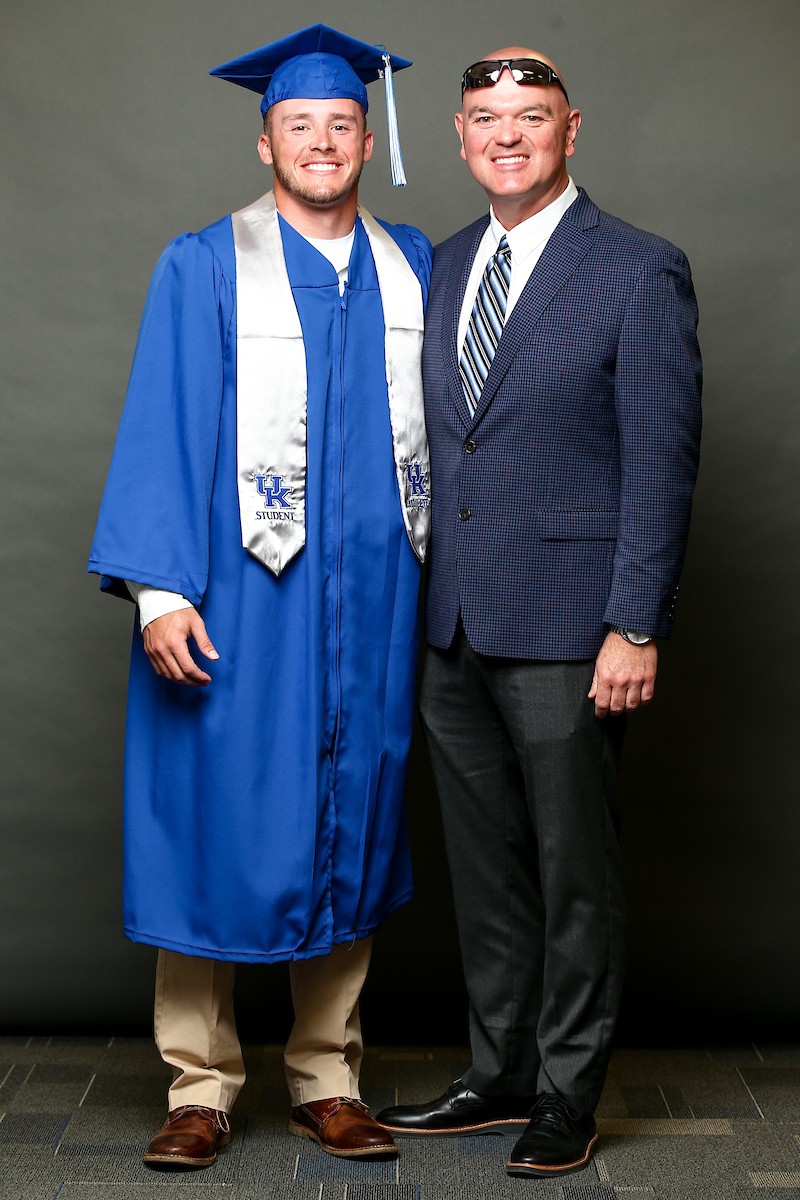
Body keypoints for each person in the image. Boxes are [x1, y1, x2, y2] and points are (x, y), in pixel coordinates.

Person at [88, 23, 432, 1168]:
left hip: (375, 601)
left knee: (354, 814)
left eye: (340, 125)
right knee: (214, 825)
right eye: (300, 126)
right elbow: (160, 426)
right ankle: (200, 1085)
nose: (322, 141)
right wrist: (156, 593)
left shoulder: (411, 264)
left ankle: (326, 1076)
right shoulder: (202, 262)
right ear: (264, 141)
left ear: (364, 137)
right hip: (240, 596)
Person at [376, 47, 702, 1179]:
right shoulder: (443, 263)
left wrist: (634, 622)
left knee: (573, 868)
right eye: (482, 118)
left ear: (572, 130)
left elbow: (659, 464)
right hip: (453, 624)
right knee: (488, 868)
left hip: (573, 630)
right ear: (460, 139)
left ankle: (567, 1089)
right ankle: (498, 1070)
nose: (504, 134)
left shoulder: (637, 269)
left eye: (529, 115)